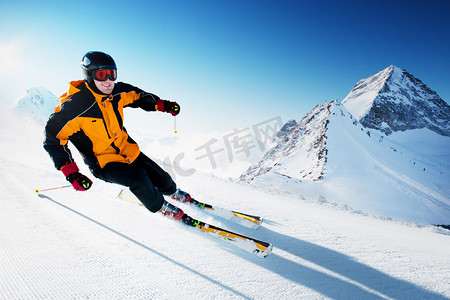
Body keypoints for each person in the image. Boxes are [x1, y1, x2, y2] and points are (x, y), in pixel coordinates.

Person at [44, 51, 191, 220]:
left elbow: (138, 96)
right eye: (101, 75)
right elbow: (53, 140)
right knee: (139, 178)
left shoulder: (117, 91)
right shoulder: (75, 106)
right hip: (103, 163)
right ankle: (161, 207)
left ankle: (173, 192)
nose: (108, 81)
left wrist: (162, 105)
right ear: (89, 76)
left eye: (111, 74)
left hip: (127, 150)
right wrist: (72, 174)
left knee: (163, 179)